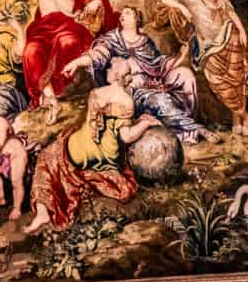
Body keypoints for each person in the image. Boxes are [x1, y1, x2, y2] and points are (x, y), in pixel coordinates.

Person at [26, 59, 161, 232]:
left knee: (46, 155)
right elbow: (126, 136)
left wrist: (143, 124)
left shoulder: (98, 93)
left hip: (84, 150)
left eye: (111, 68)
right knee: (63, 140)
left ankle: (43, 212)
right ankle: (43, 212)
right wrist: (144, 123)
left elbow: (117, 135)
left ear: (116, 76)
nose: (108, 69)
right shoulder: (126, 101)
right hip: (104, 154)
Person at [63, 5, 218, 143]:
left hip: (153, 82)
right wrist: (77, 62)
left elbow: (157, 64)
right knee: (160, 99)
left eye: (128, 13)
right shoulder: (113, 39)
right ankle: (195, 129)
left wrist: (175, 63)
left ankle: (188, 120)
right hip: (130, 90)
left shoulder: (146, 42)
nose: (122, 16)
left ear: (137, 19)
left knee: (185, 75)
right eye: (122, 13)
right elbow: (99, 53)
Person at [160, 0, 248, 135]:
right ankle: (244, 114)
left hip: (227, 33)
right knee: (217, 80)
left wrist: (241, 29)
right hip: (207, 42)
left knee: (236, 77)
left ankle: (236, 118)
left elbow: (227, 11)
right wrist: (182, 8)